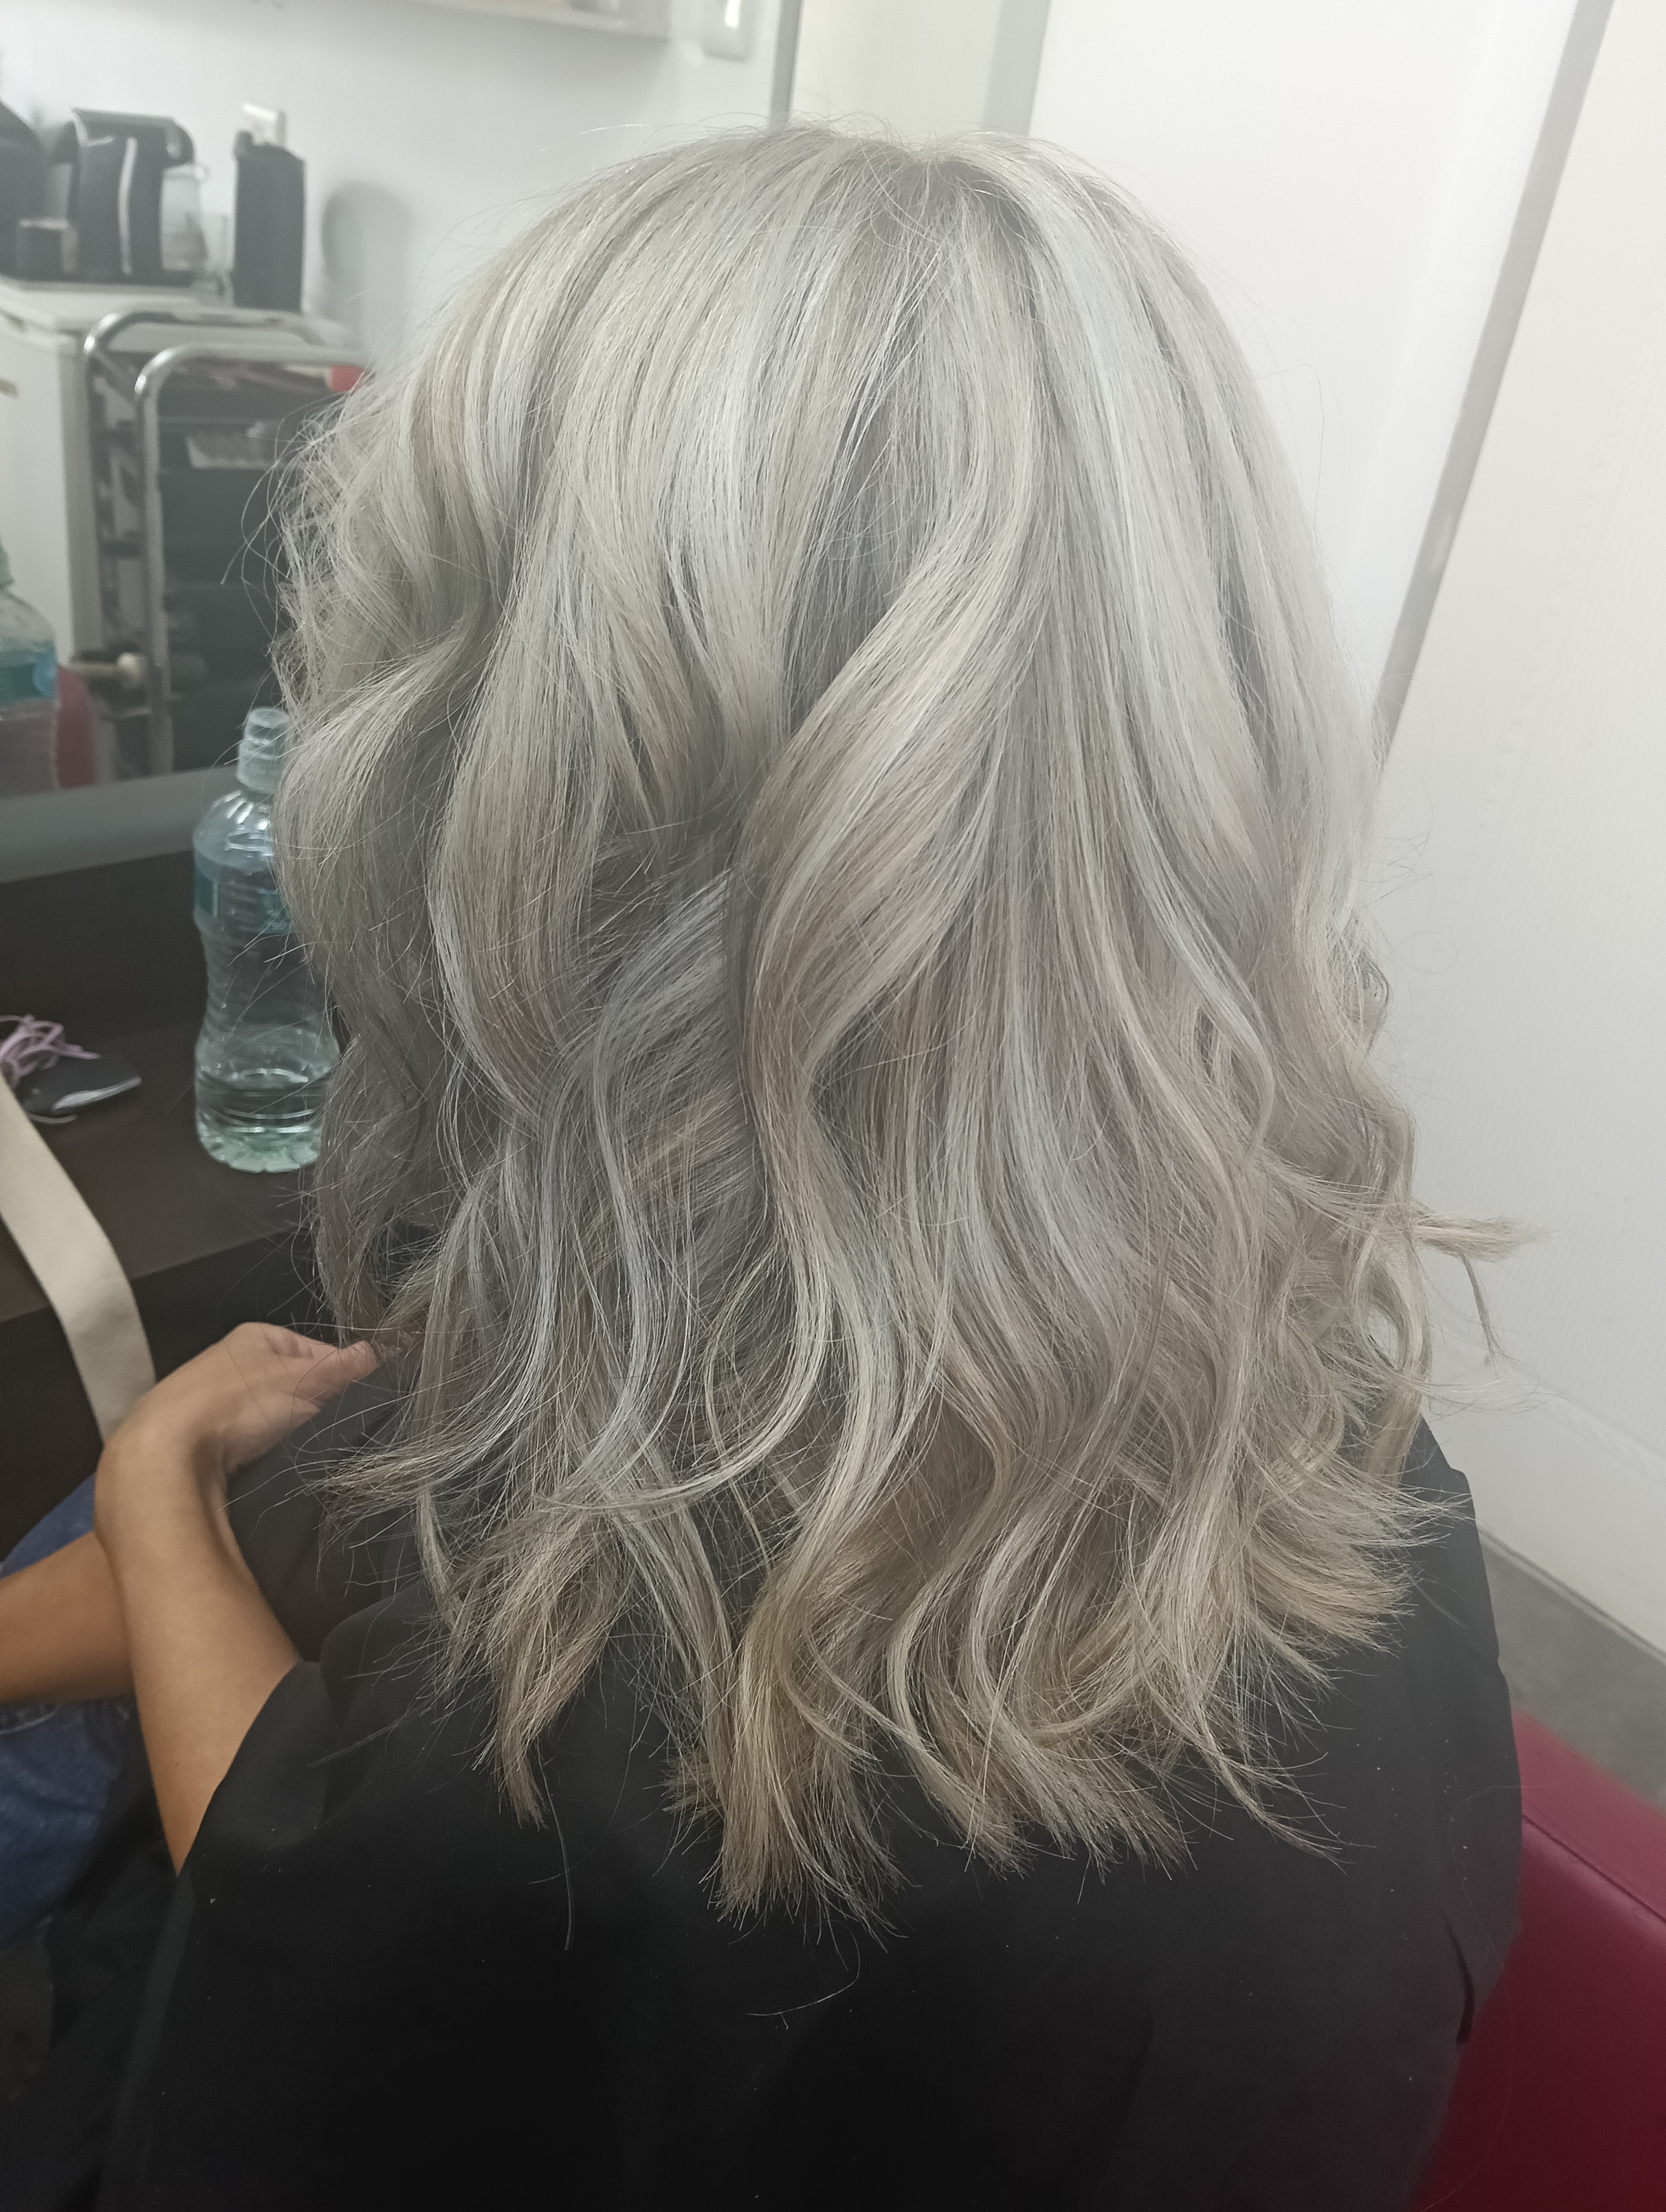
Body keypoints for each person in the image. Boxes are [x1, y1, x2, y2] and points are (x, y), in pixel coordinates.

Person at [0, 125, 1518, 2209]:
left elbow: (309, 1918)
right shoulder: (1336, 1401)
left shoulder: (604, 1740)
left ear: (507, 772)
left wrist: (161, 1504)